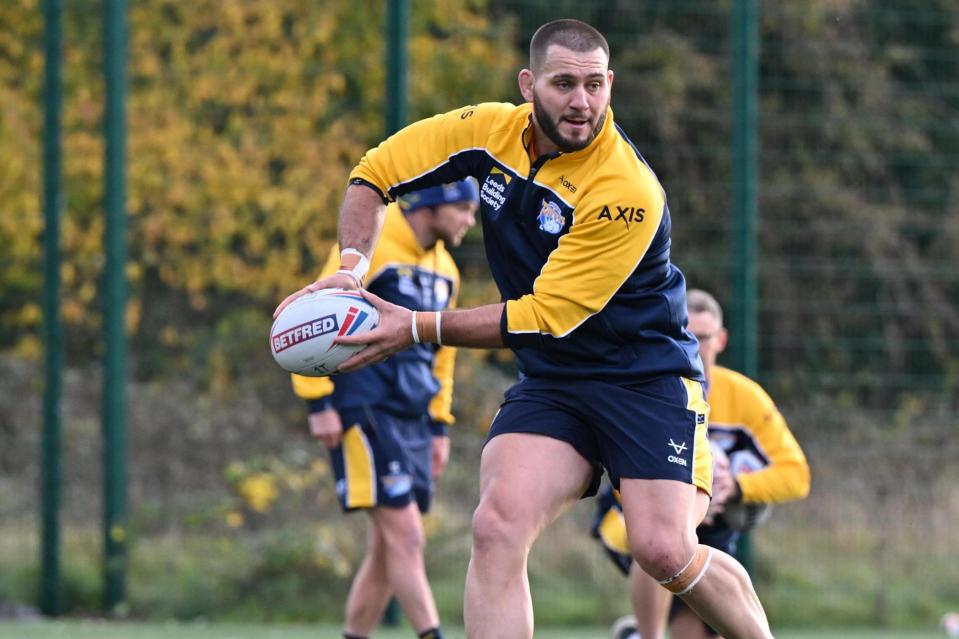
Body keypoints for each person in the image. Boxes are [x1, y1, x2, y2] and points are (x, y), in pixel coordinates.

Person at [277, 19, 776, 639]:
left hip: (644, 380)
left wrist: (414, 327)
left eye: (595, 85)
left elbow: (546, 317)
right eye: (563, 83)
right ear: (528, 84)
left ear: (611, 84)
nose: (581, 101)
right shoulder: (489, 131)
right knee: (496, 526)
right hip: (556, 382)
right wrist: (351, 270)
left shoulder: (626, 189)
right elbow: (375, 172)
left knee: (663, 550)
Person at [291, 180, 478, 639]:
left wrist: (439, 427)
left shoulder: (448, 271)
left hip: (412, 417)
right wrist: (317, 402)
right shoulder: (370, 248)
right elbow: (312, 315)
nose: (470, 222)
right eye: (463, 210)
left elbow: (443, 355)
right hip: (363, 408)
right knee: (407, 536)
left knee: (387, 546)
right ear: (433, 206)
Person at [595, 288, 811, 639]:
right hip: (637, 510)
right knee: (656, 539)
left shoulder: (744, 397)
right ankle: (647, 634)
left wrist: (734, 487)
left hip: (711, 524)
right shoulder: (647, 391)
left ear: (721, 340)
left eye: (703, 337)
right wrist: (683, 498)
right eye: (684, 333)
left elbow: (797, 475)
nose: (692, 344)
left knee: (695, 626)